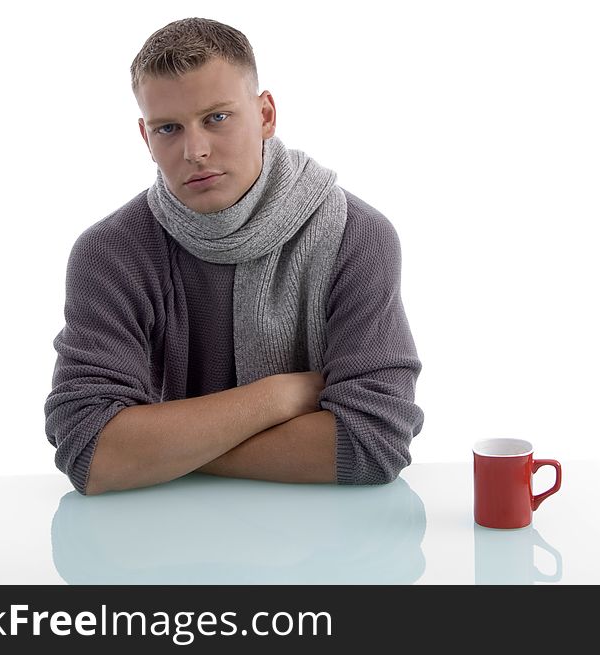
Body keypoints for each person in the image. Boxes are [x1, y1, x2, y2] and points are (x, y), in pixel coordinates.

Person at [44, 17, 424, 495]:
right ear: (146, 137)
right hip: (160, 548)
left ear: (265, 114)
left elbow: (374, 441)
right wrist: (276, 397)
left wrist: (154, 451)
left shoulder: (358, 236)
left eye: (217, 118)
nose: (195, 150)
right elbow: (89, 450)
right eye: (169, 128)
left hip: (323, 551)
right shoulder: (110, 254)